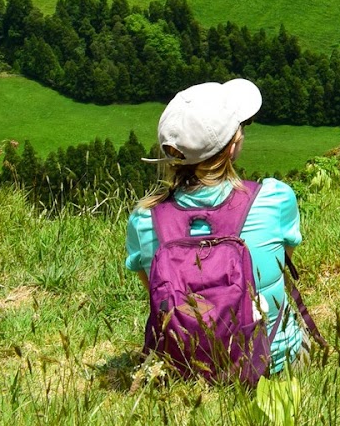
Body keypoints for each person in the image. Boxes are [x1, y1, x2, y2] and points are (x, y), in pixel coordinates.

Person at [124, 78, 309, 375]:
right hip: (270, 364)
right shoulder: (275, 198)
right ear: (232, 146)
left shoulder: (145, 221)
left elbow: (156, 293)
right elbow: (278, 263)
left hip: (184, 370)